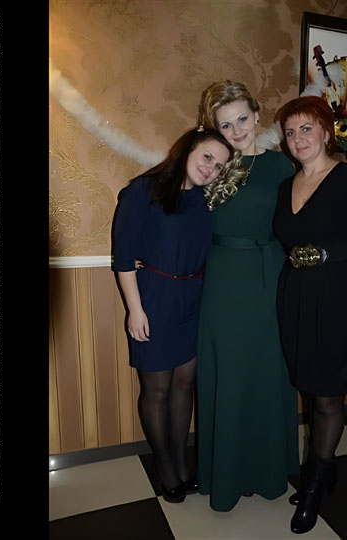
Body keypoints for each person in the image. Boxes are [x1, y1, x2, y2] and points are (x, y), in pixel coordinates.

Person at [273, 96, 347, 534]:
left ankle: (314, 484)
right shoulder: (286, 186)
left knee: (326, 396)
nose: (298, 138)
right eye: (290, 132)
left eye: (306, 128)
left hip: (339, 297)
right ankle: (325, 467)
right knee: (308, 387)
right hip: (296, 297)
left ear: (325, 131)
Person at [112, 128, 235, 503]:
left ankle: (182, 460)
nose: (212, 168)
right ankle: (164, 464)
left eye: (220, 166)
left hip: (194, 299)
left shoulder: (206, 200)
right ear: (188, 148)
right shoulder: (143, 191)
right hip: (154, 300)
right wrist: (135, 310)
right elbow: (123, 257)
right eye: (208, 157)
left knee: (185, 384)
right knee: (157, 389)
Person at [195, 80, 300, 512]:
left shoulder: (282, 165)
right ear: (214, 128)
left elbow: (301, 220)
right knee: (230, 373)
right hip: (222, 279)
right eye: (226, 124)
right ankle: (227, 475)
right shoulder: (212, 164)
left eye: (242, 119)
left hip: (270, 274)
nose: (237, 130)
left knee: (267, 373)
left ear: (257, 115)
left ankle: (267, 470)